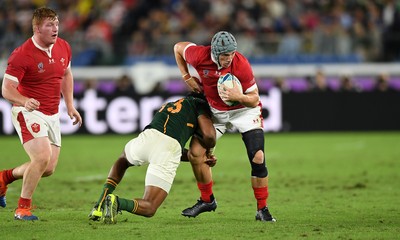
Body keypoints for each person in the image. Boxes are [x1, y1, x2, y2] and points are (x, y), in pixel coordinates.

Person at [173, 31, 276, 221]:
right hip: (216, 113)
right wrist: (186, 76)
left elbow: (254, 100)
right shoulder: (199, 55)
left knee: (258, 157)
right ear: (214, 52)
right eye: (225, 55)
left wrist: (240, 97)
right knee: (196, 154)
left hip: (244, 111)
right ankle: (207, 200)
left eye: (231, 54)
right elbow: (178, 48)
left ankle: (262, 209)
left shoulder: (241, 63)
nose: (229, 58)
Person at [0, 7, 82, 221]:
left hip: (53, 113)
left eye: (56, 24)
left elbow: (66, 74)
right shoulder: (22, 54)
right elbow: (6, 89)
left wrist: (70, 105)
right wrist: (24, 101)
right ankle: (22, 208)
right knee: (42, 157)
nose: (55, 29)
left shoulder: (63, 46)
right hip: (28, 111)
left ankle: (4, 177)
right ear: (37, 28)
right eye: (49, 25)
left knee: (47, 168)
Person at [88, 93, 216, 223]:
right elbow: (209, 135)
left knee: (123, 160)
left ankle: (99, 204)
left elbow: (165, 136)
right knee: (149, 207)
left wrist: (194, 156)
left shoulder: (171, 104)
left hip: (146, 138)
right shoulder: (201, 104)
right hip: (167, 149)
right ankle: (118, 202)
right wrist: (209, 152)